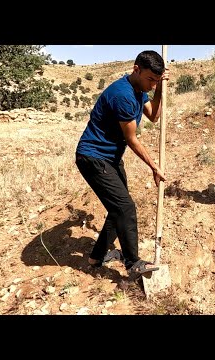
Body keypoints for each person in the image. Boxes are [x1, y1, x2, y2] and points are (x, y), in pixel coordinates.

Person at [75, 50, 168, 277]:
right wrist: (154, 167)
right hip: (93, 157)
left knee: (117, 209)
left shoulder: (139, 89)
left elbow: (154, 116)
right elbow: (132, 139)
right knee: (125, 207)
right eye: (150, 80)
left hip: (110, 157)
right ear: (136, 69)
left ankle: (97, 256)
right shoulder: (123, 95)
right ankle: (132, 262)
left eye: (157, 80)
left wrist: (161, 90)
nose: (153, 85)